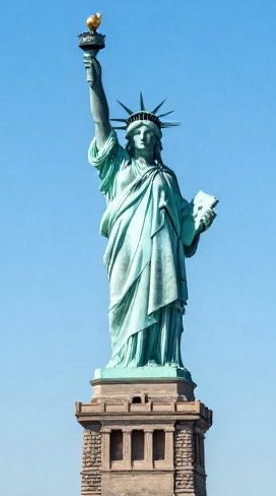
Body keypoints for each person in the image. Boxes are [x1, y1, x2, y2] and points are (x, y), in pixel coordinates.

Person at [83, 54, 216, 370]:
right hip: (127, 252)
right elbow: (101, 123)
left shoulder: (166, 178)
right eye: (138, 132)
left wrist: (200, 223)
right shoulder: (118, 168)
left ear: (157, 142)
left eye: (150, 133)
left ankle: (159, 359)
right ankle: (126, 360)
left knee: (162, 303)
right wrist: (95, 81)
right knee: (123, 308)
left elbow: (184, 233)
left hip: (161, 254)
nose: (144, 136)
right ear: (129, 139)